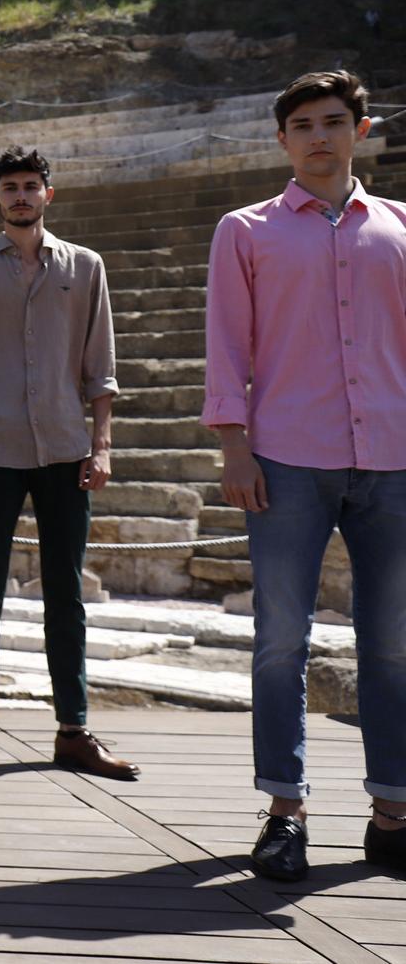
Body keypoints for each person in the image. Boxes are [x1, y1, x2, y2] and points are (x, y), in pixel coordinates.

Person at [202, 69, 406, 882]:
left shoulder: (401, 226)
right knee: (281, 639)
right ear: (283, 140)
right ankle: (285, 812)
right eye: (302, 125)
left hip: (394, 456)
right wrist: (233, 442)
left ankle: (392, 810)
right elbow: (228, 342)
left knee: (394, 643)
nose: (318, 135)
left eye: (333, 121)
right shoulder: (244, 230)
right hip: (286, 454)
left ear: (360, 129)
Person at [0, 147, 138, 780]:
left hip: (65, 449)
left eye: (30, 186)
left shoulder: (87, 267)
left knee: (66, 595)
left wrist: (102, 443)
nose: (21, 196)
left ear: (49, 194)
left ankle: (74, 729)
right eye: (9, 188)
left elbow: (99, 364)